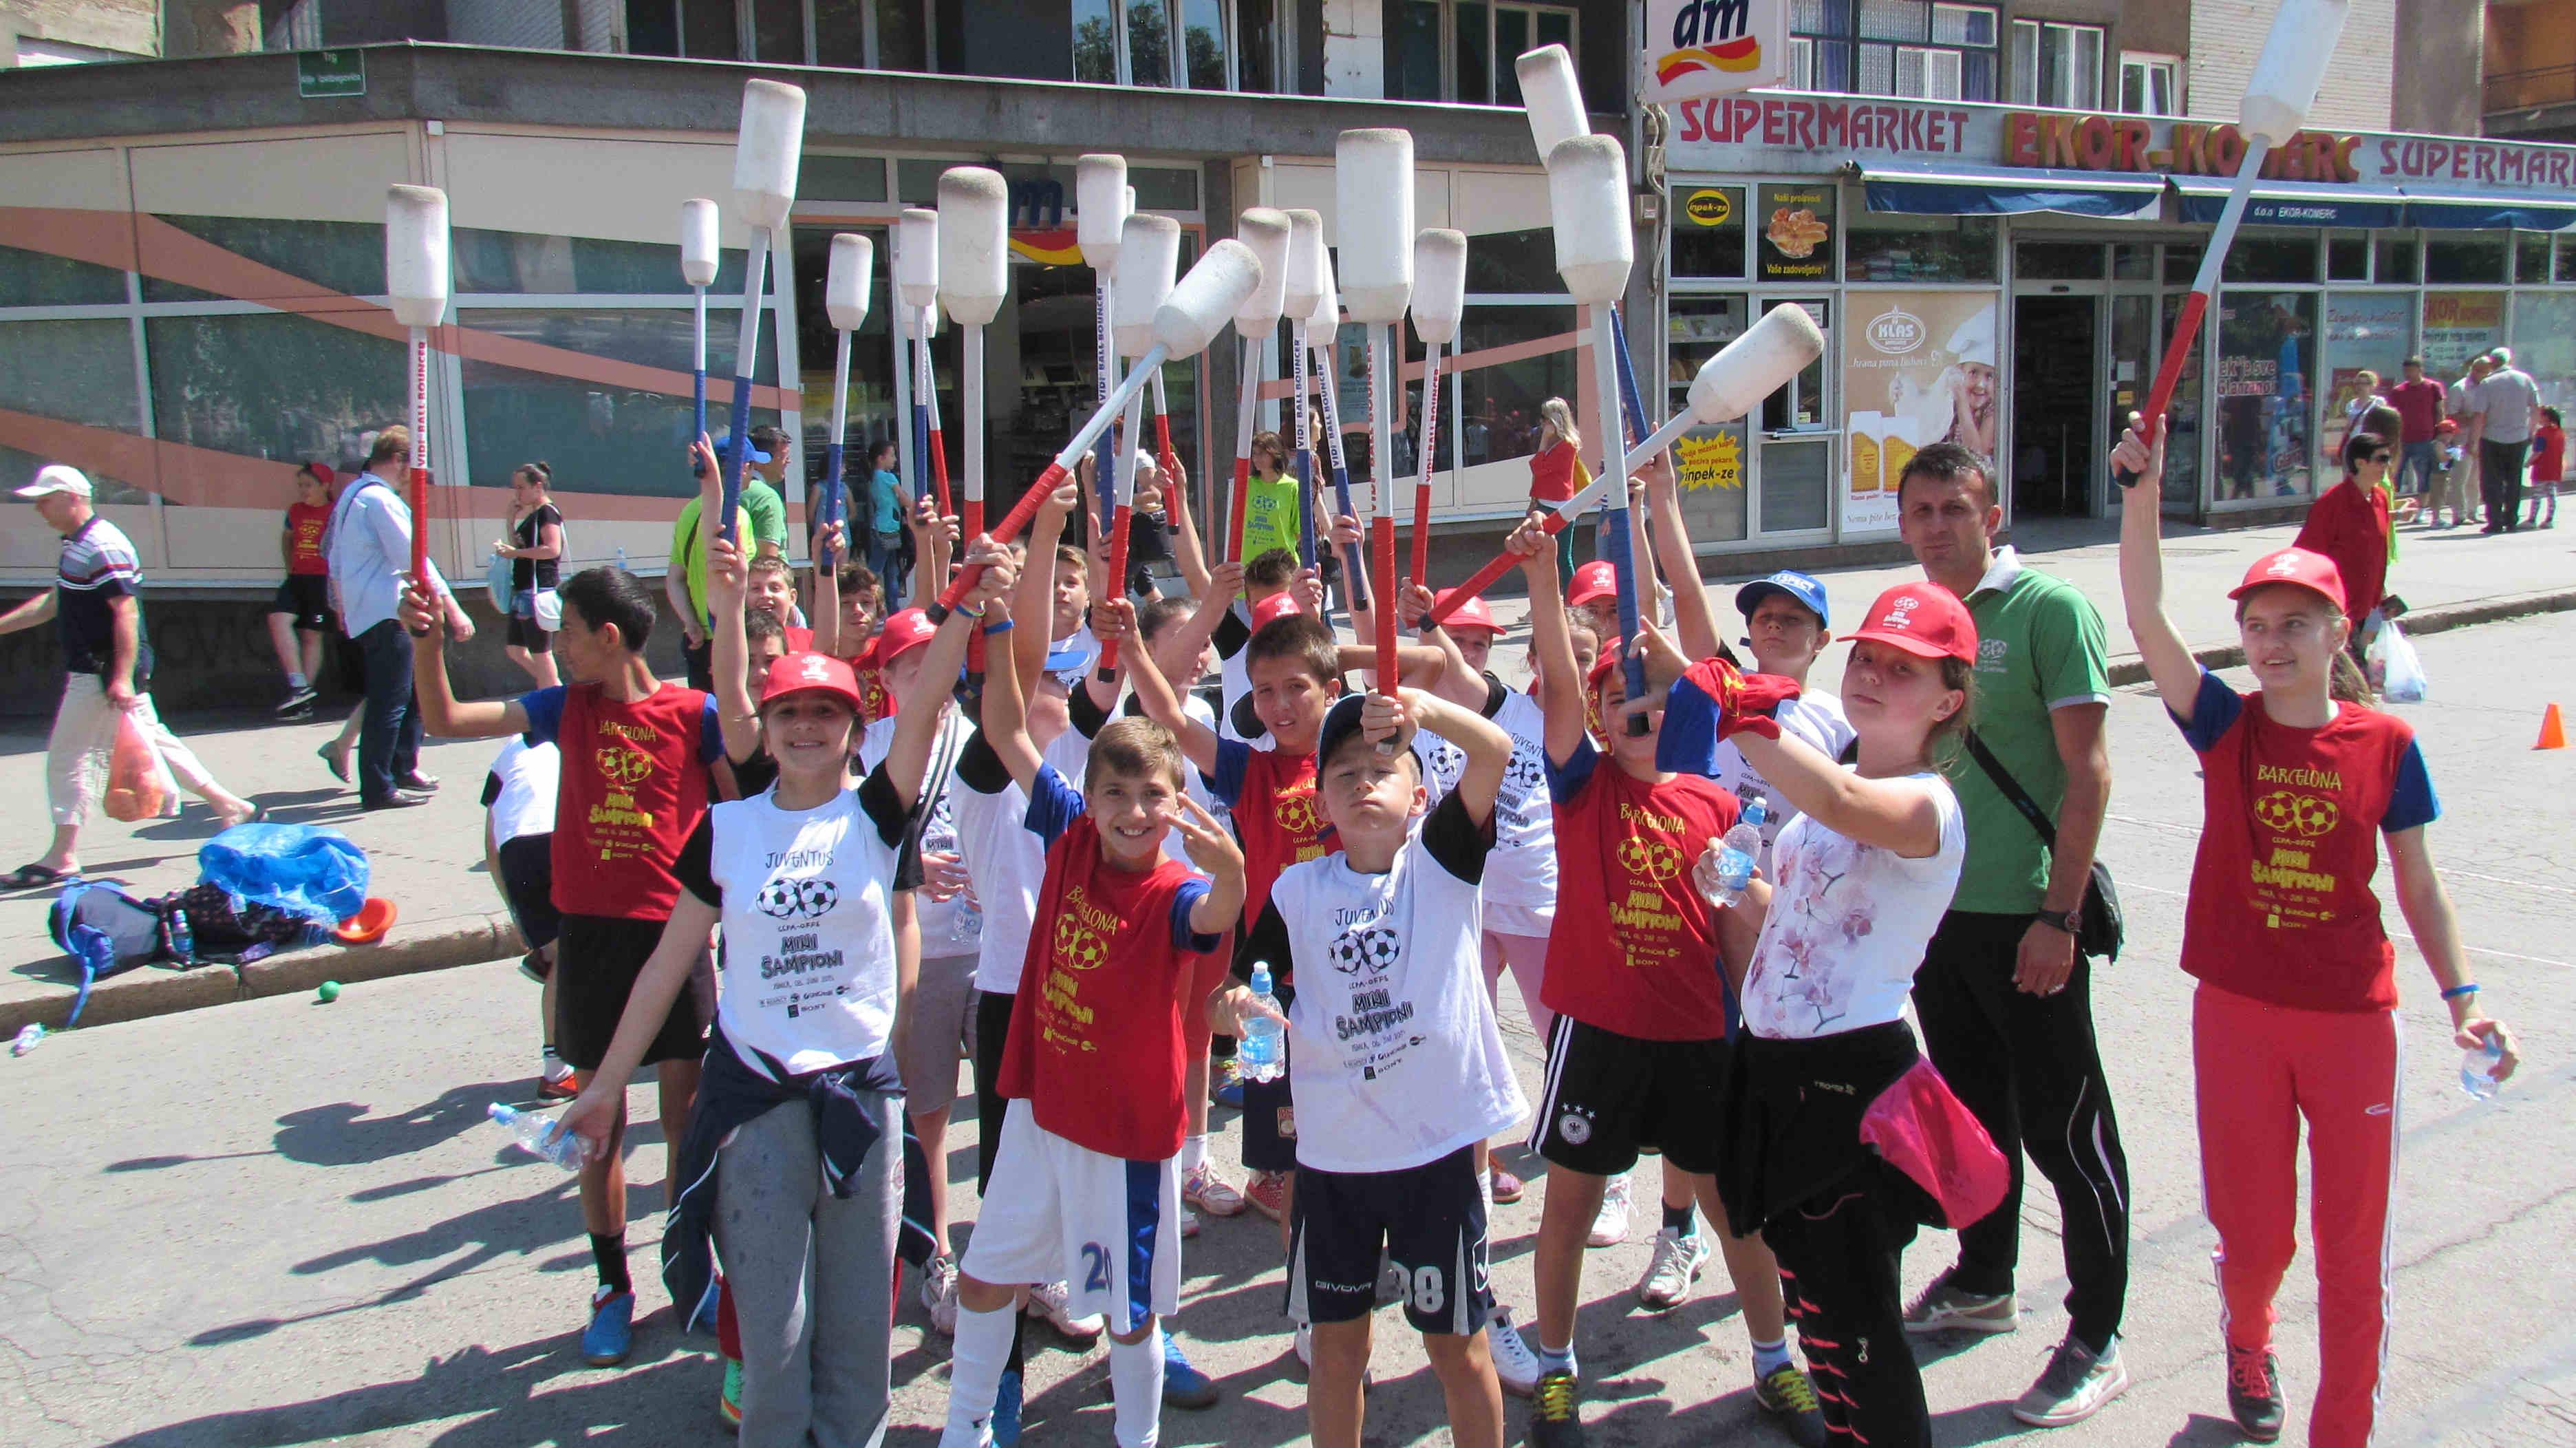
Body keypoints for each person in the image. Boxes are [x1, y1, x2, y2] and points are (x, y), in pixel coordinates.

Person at [2112, 411, 2520, 1447]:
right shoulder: (2225, 728)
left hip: (2350, 1020)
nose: (2272, 642)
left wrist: (2464, 1000)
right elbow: (2148, 617)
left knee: (2352, 1249)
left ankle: (2343, 1430)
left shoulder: (2386, 743)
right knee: (2254, 1235)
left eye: (2297, 623)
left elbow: (2420, 887)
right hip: (2239, 1014)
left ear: (2341, 632)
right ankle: (2247, 1332)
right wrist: (2141, 493)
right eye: (2258, 624)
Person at [1637, 579, 1988, 1448]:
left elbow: (1838, 803)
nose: (1872, 673)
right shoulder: (1829, 802)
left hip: (1851, 1083)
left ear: (1947, 700)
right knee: (1817, 1313)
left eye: (1901, 669)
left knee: (1858, 1326)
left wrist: (1735, 706)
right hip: (1777, 1069)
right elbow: (1788, 910)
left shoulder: (1923, 806)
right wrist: (1726, 878)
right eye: (1867, 656)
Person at [1500, 511, 1823, 1448]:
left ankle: (1774, 1363)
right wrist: (1543, 584)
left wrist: (1774, 910)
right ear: (1596, 724)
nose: (1634, 716)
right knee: (1572, 1202)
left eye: (1649, 704)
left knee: (1732, 1210)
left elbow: (1734, 894)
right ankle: (1556, 1369)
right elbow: (1562, 679)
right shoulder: (1583, 790)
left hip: (1697, 1034)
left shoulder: (1711, 795)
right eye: (1616, 707)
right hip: (1599, 1034)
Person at [936, 565, 1246, 1448]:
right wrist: (996, 629)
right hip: (1041, 1110)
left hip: (1123, 1139)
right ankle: (966, 1428)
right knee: (988, 1276)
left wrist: (1233, 870)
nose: (1134, 811)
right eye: (1117, 793)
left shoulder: (1178, 888)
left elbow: (1217, 914)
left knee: (1127, 1315)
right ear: (1094, 798)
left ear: (1176, 802)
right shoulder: (1070, 834)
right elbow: (1002, 725)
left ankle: (1135, 1438)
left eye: (1154, 796)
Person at [405, 560, 719, 1367]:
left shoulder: (696, 714)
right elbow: (443, 718)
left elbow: (742, 811)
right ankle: (613, 1287)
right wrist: (425, 643)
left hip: (673, 941)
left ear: (608, 638)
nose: (559, 647)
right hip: (590, 944)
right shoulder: (562, 708)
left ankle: (693, 1264)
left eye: (569, 633)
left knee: (684, 1121)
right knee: (598, 1129)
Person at [1208, 685, 1523, 1448]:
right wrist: (1239, 1013)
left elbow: (1497, 749)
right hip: (1333, 1164)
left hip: (1435, 1157)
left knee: (1457, 1346)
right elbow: (1231, 1001)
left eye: (1381, 765)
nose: (1360, 781)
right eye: (1341, 772)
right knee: (1338, 1354)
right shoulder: (1296, 891)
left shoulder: (1441, 862)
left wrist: (1420, 708)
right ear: (1321, 800)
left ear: (1419, 793)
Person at [1893, 441, 2130, 1422]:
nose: (1939, 526)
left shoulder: (2048, 611)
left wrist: (2058, 916)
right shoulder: (1917, 624)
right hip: (1938, 921)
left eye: (1956, 507)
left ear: (1990, 515)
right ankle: (1986, 1279)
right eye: (1922, 512)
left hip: (2029, 922)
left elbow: (2091, 774)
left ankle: (2098, 1333)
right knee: (1975, 1119)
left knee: (2065, 1134)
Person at [0, 465, 258, 892]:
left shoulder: (103, 544)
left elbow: (126, 610)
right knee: (155, 739)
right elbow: (54, 603)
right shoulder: (77, 545)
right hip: (105, 670)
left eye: (45, 499)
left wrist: (120, 677)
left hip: (101, 672)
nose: (39, 509)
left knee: (67, 758)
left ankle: (62, 855)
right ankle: (231, 806)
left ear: (72, 497)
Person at [324, 426, 470, 811]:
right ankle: (379, 786)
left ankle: (403, 767)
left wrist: (343, 607)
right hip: (389, 611)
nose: (416, 480)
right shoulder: (379, 501)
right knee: (391, 700)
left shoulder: (354, 496)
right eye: (415, 468)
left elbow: (336, 561)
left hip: (369, 610)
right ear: (401, 461)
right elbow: (413, 559)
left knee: (406, 694)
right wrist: (452, 608)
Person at [483, 732, 568, 1098]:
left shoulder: (505, 757)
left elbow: (490, 848)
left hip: (515, 851)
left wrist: (520, 918)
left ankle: (546, 954)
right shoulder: (587, 733)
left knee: (566, 955)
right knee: (575, 958)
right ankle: (558, 1072)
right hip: (562, 837)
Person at [2293, 432, 2402, 663]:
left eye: (2389, 459)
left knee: (2361, 676)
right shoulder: (2332, 504)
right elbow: (2305, 556)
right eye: (2381, 459)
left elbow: (2377, 551)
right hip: (2337, 608)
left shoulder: (2380, 498)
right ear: (2360, 463)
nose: (2387, 465)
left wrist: (2380, 595)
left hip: (2368, 606)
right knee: (2345, 679)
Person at [667, 443, 757, 692]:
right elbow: (744, 580)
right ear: (744, 468)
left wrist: (691, 623)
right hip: (731, 637)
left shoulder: (688, 512)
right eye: (753, 466)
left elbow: (674, 579)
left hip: (697, 642)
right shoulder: (738, 518)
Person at [267, 460, 337, 715]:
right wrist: (290, 567)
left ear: (325, 486)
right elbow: (287, 539)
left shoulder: (334, 511)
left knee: (311, 635)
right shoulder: (295, 511)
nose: (303, 491)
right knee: (278, 619)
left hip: (322, 580)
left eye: (309, 485)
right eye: (300, 486)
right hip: (297, 578)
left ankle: (304, 699)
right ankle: (299, 685)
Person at [491, 460, 565, 687]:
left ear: (538, 487)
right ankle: (554, 687)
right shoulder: (534, 516)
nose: (518, 493)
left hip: (537, 591)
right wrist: (510, 521)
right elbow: (519, 547)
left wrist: (516, 553)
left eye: (521, 487)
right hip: (523, 591)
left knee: (541, 653)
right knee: (515, 650)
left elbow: (553, 549)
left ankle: (553, 692)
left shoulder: (548, 513)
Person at [2470, 346, 2542, 535]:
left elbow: (2480, 415)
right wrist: (2530, 431)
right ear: (2510, 361)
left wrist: (2474, 441)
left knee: (2491, 481)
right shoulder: (2525, 379)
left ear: (2493, 363)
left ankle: (2495, 521)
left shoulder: (2488, 383)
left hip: (2492, 437)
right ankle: (2511, 520)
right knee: (2514, 480)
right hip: (2518, 437)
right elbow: (2536, 407)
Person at [1525, 398, 1591, 579]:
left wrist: (1545, 440)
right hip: (1542, 504)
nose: (1541, 422)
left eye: (1544, 418)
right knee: (1541, 555)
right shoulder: (1552, 444)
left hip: (1560, 507)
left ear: (1555, 420)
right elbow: (1538, 471)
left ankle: (1571, 600)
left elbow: (1538, 468)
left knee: (1563, 556)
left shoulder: (1567, 445)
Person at [2434, 354, 2493, 529]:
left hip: (2482, 437)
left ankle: (2473, 512)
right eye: (2484, 372)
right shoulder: (2460, 388)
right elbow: (2452, 415)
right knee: (2460, 477)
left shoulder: (2488, 387)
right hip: (2462, 439)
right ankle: (2459, 514)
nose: (2487, 376)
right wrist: (2475, 418)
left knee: (2475, 478)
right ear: (2475, 370)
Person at [2380, 358, 2445, 507]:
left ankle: (2422, 508)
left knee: (2424, 475)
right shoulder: (2399, 391)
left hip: (2425, 438)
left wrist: (2440, 434)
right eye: (2406, 371)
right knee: (2395, 474)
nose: (2408, 374)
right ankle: (2391, 505)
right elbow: (2392, 415)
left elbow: (2440, 411)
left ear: (2420, 370)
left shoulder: (2433, 387)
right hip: (2402, 440)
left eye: (2411, 370)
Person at [1238, 430, 1301, 562]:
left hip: (1281, 567)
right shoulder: (1246, 485)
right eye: (1254, 454)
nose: (1256, 458)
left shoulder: (1292, 487)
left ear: (1275, 454)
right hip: (1250, 565)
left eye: (1261, 454)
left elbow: (1299, 532)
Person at [864, 438, 908, 597]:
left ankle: (892, 608)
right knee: (877, 570)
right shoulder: (888, 477)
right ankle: (864, 596)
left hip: (883, 526)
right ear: (880, 458)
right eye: (892, 455)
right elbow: (904, 499)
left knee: (890, 571)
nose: (895, 459)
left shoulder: (874, 477)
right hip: (888, 528)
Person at [2527, 404, 2562, 529]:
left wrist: (2528, 463)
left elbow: (2538, 452)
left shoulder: (2542, 433)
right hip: (2555, 469)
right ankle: (2549, 519)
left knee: (2537, 495)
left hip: (2542, 469)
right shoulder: (2560, 432)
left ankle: (2532, 520)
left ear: (2546, 417)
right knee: (2551, 494)